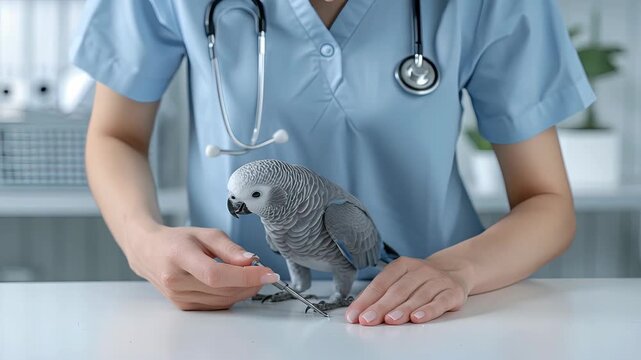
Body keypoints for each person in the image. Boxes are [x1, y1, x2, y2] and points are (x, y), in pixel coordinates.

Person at [72, 0, 595, 326]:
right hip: (228, 323)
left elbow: (547, 204)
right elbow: (116, 134)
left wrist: (454, 272)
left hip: (432, 320)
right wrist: (144, 241)